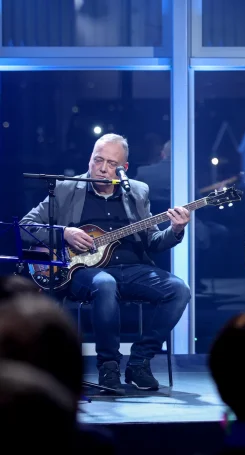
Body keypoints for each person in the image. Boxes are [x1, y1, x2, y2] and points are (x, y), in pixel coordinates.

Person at [20, 133, 191, 391]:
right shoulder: (67, 188)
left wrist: (176, 230)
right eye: (97, 160)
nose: (102, 168)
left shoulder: (136, 191)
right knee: (106, 283)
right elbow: (25, 227)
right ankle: (108, 366)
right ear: (89, 159)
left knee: (179, 290)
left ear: (124, 169)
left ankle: (140, 362)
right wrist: (63, 233)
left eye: (111, 163)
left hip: (132, 269)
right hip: (83, 271)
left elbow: (154, 241)